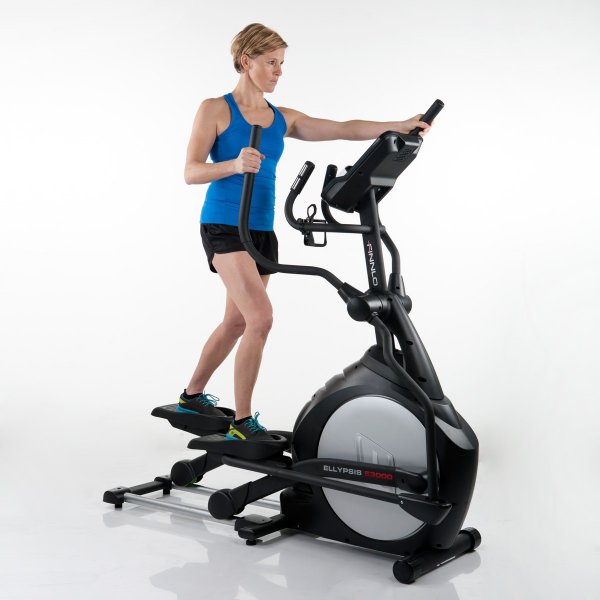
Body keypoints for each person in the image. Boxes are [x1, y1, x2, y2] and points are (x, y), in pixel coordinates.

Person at [179, 23, 431, 441]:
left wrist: (399, 125)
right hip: (224, 225)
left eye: (282, 63)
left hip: (262, 229)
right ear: (246, 61)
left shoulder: (282, 118)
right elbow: (191, 171)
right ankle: (242, 423)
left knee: (237, 322)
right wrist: (233, 165)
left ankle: (191, 395)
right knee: (261, 319)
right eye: (271, 63)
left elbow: (343, 128)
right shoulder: (215, 109)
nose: (279, 71)